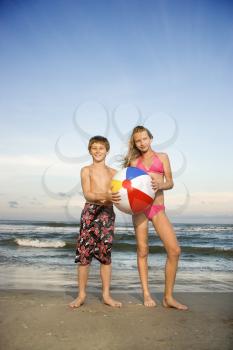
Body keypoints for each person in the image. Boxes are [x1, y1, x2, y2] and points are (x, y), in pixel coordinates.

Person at [123, 125, 188, 310]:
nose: (142, 143)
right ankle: (146, 293)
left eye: (144, 138)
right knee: (142, 251)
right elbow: (127, 185)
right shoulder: (134, 162)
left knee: (174, 250)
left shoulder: (163, 157)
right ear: (134, 143)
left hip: (157, 207)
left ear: (150, 138)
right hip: (140, 209)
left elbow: (170, 182)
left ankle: (168, 298)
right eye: (138, 140)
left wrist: (161, 184)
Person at [69, 136, 122, 308]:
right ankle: (81, 295)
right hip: (90, 212)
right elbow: (88, 194)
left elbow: (121, 195)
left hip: (107, 214)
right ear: (90, 150)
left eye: (101, 148)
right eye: (94, 148)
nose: (98, 151)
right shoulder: (86, 170)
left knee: (105, 255)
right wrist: (106, 196)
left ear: (107, 150)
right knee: (85, 254)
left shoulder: (114, 173)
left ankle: (106, 295)